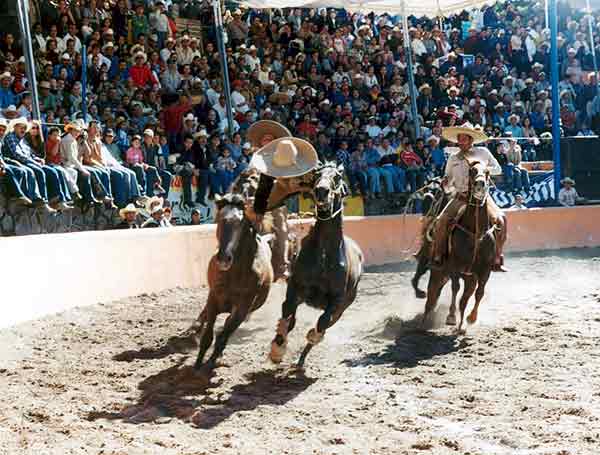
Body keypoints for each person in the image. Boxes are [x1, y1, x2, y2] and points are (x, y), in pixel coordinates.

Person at [432, 123, 507, 272]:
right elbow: (449, 182)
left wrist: (484, 169)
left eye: (464, 139)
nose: (461, 142)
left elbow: (498, 169)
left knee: (501, 220)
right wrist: (445, 183)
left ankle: (497, 257)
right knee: (441, 222)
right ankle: (439, 255)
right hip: (461, 197)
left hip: (482, 197)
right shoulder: (453, 158)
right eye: (459, 139)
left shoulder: (483, 153)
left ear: (471, 140)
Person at [248, 120, 317, 280]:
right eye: (264, 140)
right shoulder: (258, 158)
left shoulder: (285, 158)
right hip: (257, 195)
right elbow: (258, 183)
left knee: (280, 226)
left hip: (275, 202)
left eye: (270, 140)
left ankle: (282, 265)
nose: (267, 142)